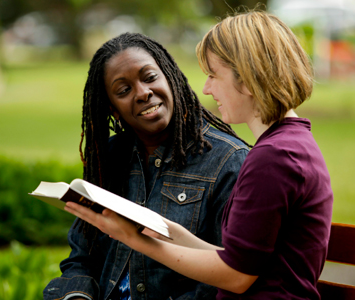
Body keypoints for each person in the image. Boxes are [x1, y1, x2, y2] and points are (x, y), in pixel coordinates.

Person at [64, 11, 334, 299]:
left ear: (247, 78)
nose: (205, 88)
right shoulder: (287, 146)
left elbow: (236, 275)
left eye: (213, 75)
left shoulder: (274, 157)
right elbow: (239, 258)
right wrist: (163, 230)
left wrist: (133, 238)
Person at [43, 33, 249, 300]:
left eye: (150, 77)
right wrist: (77, 296)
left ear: (171, 78)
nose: (143, 93)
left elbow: (224, 279)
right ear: (113, 109)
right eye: (123, 90)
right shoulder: (111, 158)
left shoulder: (228, 161)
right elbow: (81, 258)